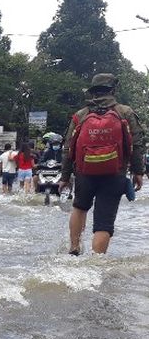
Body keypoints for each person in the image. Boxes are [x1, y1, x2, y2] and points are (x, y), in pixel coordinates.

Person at [59, 73, 146, 255]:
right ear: (113, 90)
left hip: (84, 172)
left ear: (93, 92)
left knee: (79, 207)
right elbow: (137, 144)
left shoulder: (80, 115)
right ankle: (96, 261)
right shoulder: (125, 112)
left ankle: (74, 248)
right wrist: (138, 171)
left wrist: (65, 176)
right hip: (115, 174)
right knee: (104, 222)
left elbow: (68, 148)